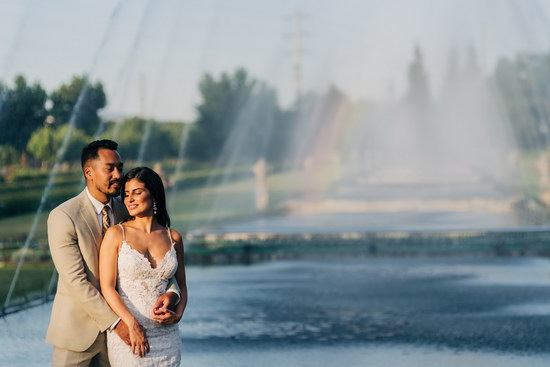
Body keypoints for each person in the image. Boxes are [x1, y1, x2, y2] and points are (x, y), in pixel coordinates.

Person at [46, 140, 180, 366]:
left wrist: (172, 294)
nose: (118, 174)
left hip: (127, 339)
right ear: (89, 172)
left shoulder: (126, 208)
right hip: (80, 335)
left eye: (120, 167)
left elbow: (159, 268)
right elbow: (76, 281)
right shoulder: (64, 217)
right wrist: (118, 323)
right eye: (110, 168)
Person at [99, 167, 188, 366]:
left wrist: (177, 314)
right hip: (131, 336)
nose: (129, 199)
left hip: (167, 339)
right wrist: (130, 323)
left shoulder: (173, 237)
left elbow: (181, 285)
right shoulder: (116, 234)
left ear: (154, 195)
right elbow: (107, 287)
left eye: (137, 192)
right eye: (127, 194)